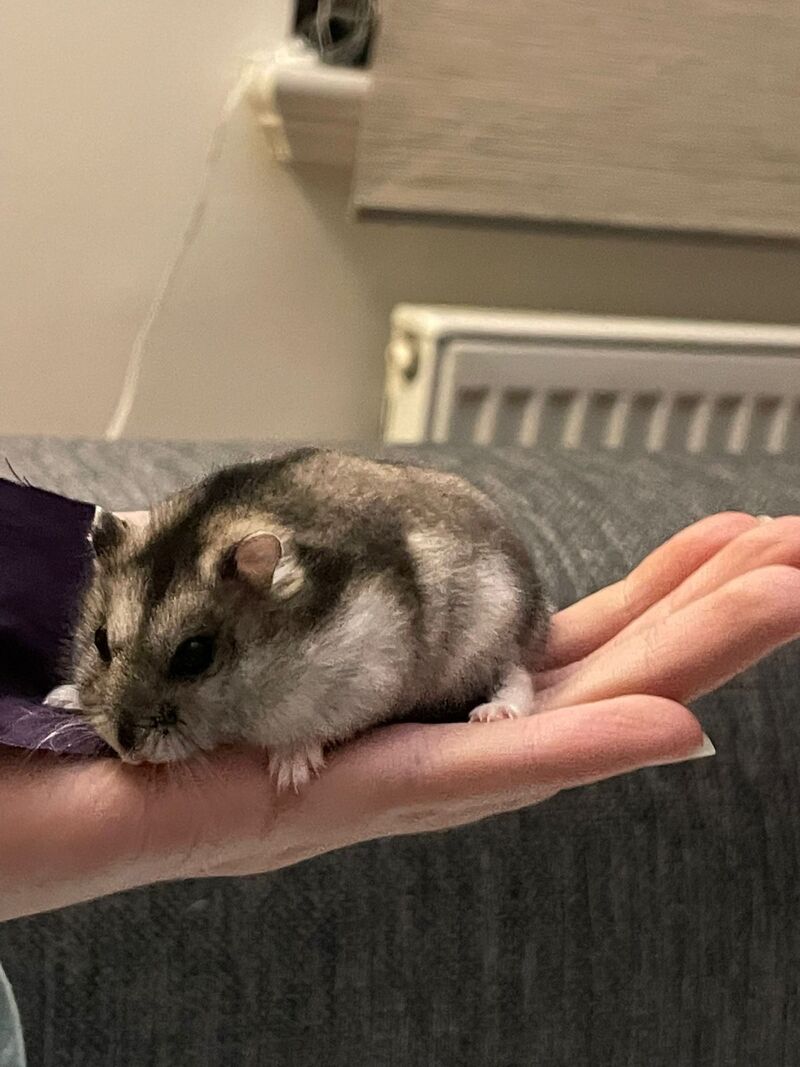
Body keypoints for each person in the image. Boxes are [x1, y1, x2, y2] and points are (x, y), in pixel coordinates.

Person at [2, 508, 800, 923]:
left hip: (459, 601)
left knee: (472, 627)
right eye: (104, 649)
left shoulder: (314, 630)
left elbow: (373, 659)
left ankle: (510, 677)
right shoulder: (139, 584)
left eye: (194, 657)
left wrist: (312, 730)